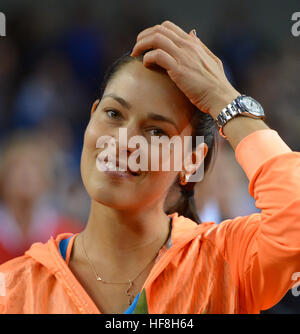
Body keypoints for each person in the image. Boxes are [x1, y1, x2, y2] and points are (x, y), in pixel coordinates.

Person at [0, 20, 300, 314]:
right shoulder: (13, 289)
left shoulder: (225, 263)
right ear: (91, 117)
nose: (123, 141)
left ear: (192, 161)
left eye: (156, 131)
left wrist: (224, 98)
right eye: (113, 113)